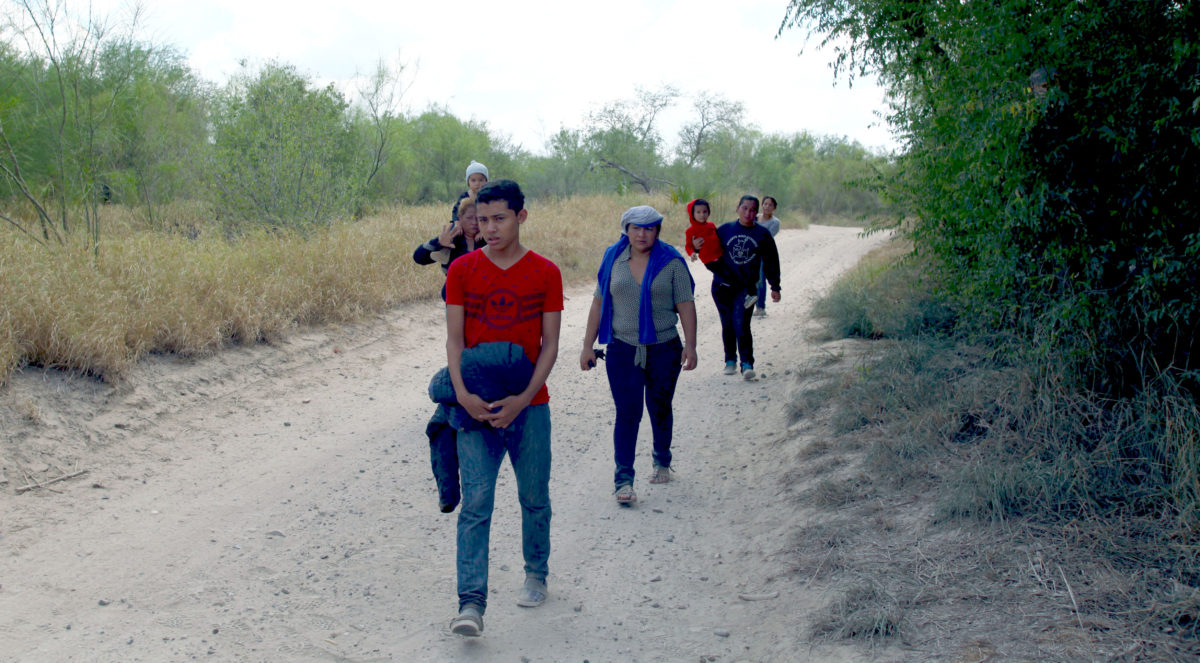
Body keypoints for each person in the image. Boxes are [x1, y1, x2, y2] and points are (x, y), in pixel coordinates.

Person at [444, 179, 562, 637]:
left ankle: (536, 572)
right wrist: (464, 396)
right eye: (483, 219)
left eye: (499, 219)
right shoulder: (463, 271)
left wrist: (523, 400)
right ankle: (470, 603)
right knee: (476, 503)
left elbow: (550, 344)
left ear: (521, 217)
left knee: (534, 496)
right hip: (475, 405)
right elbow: (455, 341)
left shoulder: (546, 272)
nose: (489, 228)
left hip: (530, 406)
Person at [581, 206, 697, 505]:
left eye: (649, 228)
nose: (642, 234)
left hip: (664, 347)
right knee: (628, 412)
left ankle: (661, 458)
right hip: (622, 348)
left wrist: (691, 346)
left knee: (659, 406)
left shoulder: (671, 262)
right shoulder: (613, 259)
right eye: (636, 228)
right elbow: (598, 303)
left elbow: (685, 305)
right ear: (626, 229)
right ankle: (624, 480)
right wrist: (586, 345)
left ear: (657, 231)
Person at [694, 195, 781, 380]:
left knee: (741, 323)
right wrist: (695, 249)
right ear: (737, 208)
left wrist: (775, 286)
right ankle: (730, 360)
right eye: (745, 208)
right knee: (727, 324)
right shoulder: (725, 230)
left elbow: (771, 261)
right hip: (722, 287)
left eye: (752, 210)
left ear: (756, 212)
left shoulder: (762, 235)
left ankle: (747, 363)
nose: (748, 213)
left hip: (747, 288)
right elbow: (708, 251)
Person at [684, 198, 758, 309]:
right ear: (692, 213)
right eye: (698, 212)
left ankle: (743, 294)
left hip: (721, 256)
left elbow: (719, 238)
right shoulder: (691, 230)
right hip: (710, 260)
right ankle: (744, 297)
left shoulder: (711, 225)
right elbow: (688, 246)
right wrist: (692, 252)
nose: (702, 215)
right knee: (728, 276)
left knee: (734, 272)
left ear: (709, 212)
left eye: (705, 212)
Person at [413, 194, 482, 301]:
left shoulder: (488, 240)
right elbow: (418, 258)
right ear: (459, 218)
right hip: (454, 298)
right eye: (469, 218)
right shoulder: (451, 238)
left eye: (478, 219)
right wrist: (438, 243)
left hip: (483, 298)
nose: (474, 223)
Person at [753, 196, 783, 317]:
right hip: (749, 253)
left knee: (760, 279)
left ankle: (760, 307)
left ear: (774, 208)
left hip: (763, 253)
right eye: (765, 204)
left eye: (770, 205)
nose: (767, 207)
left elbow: (767, 238)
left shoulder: (775, 223)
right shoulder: (754, 217)